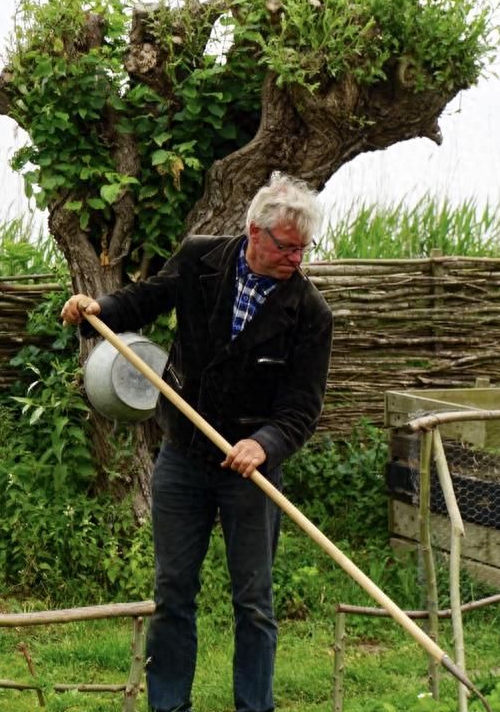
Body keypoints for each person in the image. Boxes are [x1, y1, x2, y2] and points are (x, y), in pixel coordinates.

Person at [60, 171, 333, 712]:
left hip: (249, 473)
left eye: (304, 249)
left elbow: (301, 406)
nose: (296, 259)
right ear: (255, 232)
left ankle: (254, 707)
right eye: (287, 247)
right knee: (173, 594)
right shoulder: (199, 259)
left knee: (253, 601)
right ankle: (169, 706)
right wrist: (97, 313)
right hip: (183, 458)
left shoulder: (309, 313)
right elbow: (143, 301)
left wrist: (266, 443)